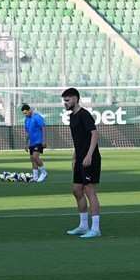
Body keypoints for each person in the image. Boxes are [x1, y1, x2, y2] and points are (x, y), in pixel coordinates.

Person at [62, 88, 102, 239]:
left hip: (89, 158)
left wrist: (89, 155)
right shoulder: (72, 116)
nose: (65, 103)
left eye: (67, 100)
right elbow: (79, 140)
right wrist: (75, 156)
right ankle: (83, 226)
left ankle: (96, 228)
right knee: (77, 191)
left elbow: (94, 133)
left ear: (76, 99)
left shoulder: (84, 114)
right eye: (64, 100)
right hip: (80, 158)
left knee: (90, 190)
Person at [22, 103, 48, 182]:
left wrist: (44, 140)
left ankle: (44, 172)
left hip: (38, 141)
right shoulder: (26, 120)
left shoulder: (37, 117)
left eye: (26, 113)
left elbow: (43, 128)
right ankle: (35, 177)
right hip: (32, 142)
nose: (25, 115)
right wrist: (25, 143)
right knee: (32, 159)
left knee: (35, 157)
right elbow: (27, 132)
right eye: (24, 114)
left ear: (29, 110)